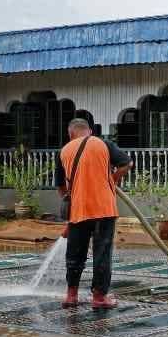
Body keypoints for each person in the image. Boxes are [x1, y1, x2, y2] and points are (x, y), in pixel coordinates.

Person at [55, 118, 132, 309]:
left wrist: (70, 209)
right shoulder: (103, 144)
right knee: (102, 252)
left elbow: (61, 188)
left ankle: (71, 295)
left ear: (70, 133)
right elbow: (127, 163)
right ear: (89, 131)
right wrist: (112, 181)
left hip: (78, 210)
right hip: (103, 209)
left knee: (74, 253)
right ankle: (99, 297)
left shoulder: (64, 151)